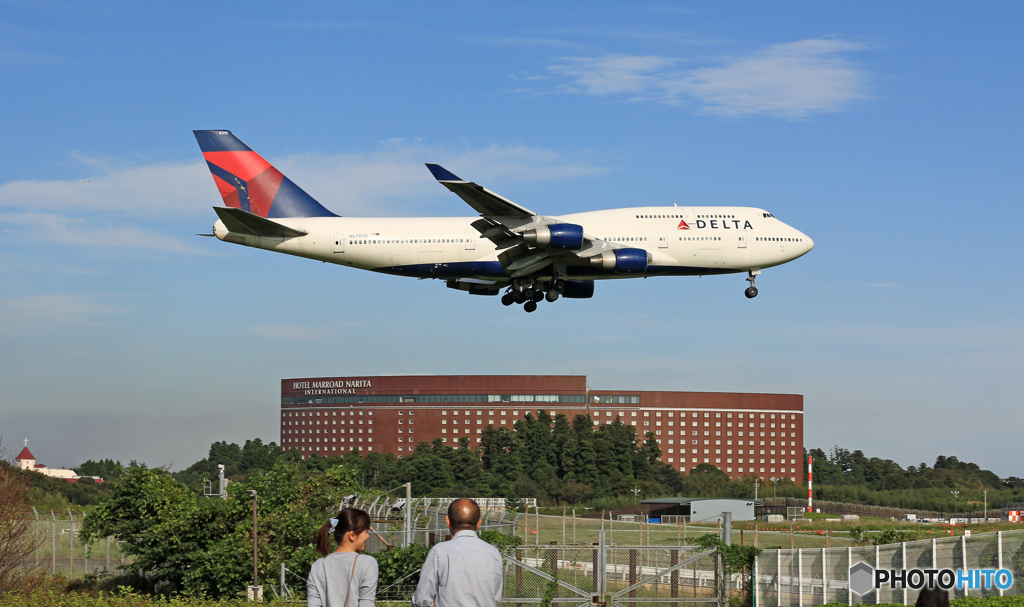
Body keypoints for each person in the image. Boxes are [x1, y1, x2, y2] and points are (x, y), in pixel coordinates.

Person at [413, 498, 503, 607]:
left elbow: (422, 600)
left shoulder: (439, 552)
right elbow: (496, 599)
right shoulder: (493, 553)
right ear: (479, 522)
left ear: (448, 521)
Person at [307, 508, 379, 607]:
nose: (367, 536)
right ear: (352, 535)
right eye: (366, 532)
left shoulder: (318, 565)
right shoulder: (367, 563)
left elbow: (313, 604)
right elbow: (366, 603)